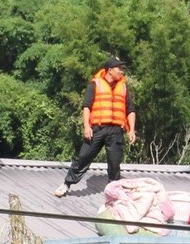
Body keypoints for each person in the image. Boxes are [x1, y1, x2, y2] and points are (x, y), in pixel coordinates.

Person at [55, 57, 135, 197]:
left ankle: (113, 192)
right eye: (119, 68)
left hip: (116, 130)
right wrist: (87, 126)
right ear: (110, 70)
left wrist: (132, 130)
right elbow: (86, 107)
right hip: (97, 128)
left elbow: (130, 110)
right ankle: (67, 184)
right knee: (83, 157)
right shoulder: (95, 84)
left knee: (115, 164)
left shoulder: (123, 87)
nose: (121, 71)